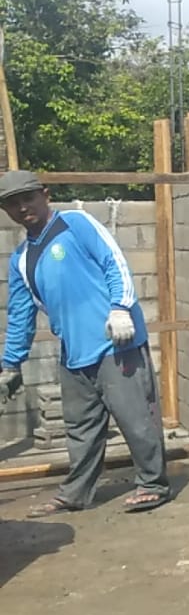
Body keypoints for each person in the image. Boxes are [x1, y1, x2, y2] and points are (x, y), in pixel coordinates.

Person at [0, 170, 171, 516]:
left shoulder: (75, 224)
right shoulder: (21, 260)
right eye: (12, 204)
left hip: (116, 344)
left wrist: (121, 308)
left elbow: (114, 262)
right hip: (74, 354)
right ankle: (75, 493)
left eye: (28, 199)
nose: (22, 208)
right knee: (80, 428)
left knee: (136, 419)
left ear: (45, 195)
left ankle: (154, 485)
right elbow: (20, 315)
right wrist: (10, 363)